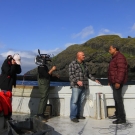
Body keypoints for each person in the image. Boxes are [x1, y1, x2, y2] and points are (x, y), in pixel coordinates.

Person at [69, 51, 100, 123]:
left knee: (80, 101)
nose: (84, 56)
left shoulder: (84, 64)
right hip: (76, 86)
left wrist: (95, 79)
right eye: (83, 55)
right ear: (78, 56)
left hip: (84, 85)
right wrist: (77, 81)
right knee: (74, 101)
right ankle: (73, 116)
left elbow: (88, 74)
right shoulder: (72, 64)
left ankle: (78, 115)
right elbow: (71, 75)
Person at [108, 45, 127, 124]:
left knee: (118, 100)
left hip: (117, 82)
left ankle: (121, 118)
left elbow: (121, 70)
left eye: (110, 49)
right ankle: (117, 114)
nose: (109, 50)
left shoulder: (119, 57)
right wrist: (110, 81)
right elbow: (112, 71)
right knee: (116, 99)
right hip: (114, 81)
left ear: (115, 49)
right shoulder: (115, 57)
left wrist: (118, 82)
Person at [0, 54, 21, 119]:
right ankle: (6, 116)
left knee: (9, 101)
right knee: (5, 101)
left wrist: (16, 65)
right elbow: (9, 72)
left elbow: (19, 71)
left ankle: (8, 115)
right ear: (12, 60)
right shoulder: (5, 64)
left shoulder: (14, 64)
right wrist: (13, 65)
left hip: (10, 85)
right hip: (5, 85)